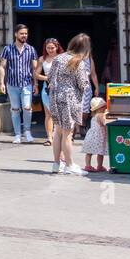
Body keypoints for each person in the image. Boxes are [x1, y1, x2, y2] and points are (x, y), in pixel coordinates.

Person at [47, 33, 93, 176]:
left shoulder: (58, 58)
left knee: (58, 132)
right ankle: (70, 165)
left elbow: (49, 78)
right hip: (69, 100)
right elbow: (83, 84)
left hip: (55, 98)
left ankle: (56, 164)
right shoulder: (78, 62)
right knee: (67, 134)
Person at [0, 24, 37, 145]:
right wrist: (1, 83)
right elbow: (2, 66)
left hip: (26, 84)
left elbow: (35, 68)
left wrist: (35, 84)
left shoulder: (31, 49)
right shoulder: (7, 49)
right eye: (22, 33)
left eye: (26, 33)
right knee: (15, 109)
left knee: (27, 107)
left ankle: (27, 131)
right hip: (12, 84)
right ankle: (17, 134)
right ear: (16, 34)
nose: (24, 35)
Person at [33, 38, 61, 147]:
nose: (50, 50)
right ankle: (49, 138)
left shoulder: (61, 58)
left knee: (58, 113)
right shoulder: (42, 59)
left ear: (57, 47)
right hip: (47, 88)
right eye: (48, 48)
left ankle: (59, 136)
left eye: (52, 48)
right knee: (48, 114)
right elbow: (36, 74)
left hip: (60, 87)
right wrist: (46, 77)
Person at [82, 97, 108, 173]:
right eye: (104, 106)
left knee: (89, 152)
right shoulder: (101, 115)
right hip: (99, 136)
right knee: (100, 152)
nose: (105, 107)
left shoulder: (94, 115)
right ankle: (99, 166)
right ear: (100, 108)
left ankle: (88, 165)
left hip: (91, 136)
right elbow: (104, 124)